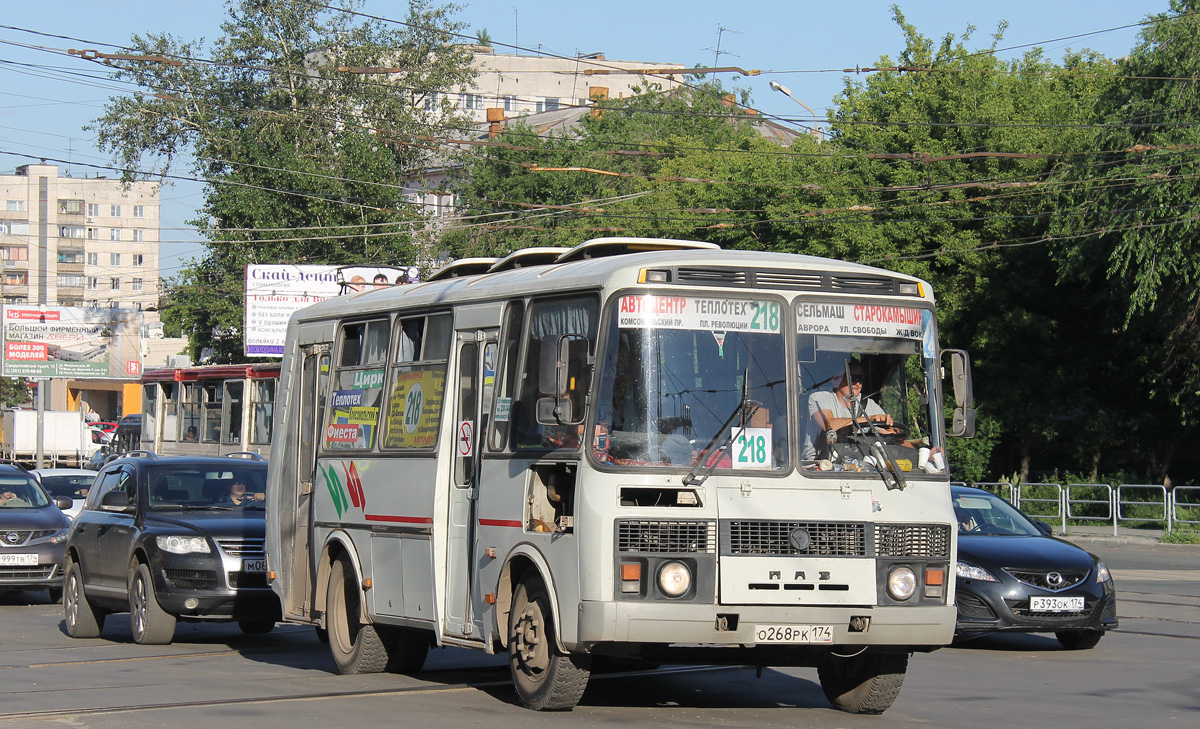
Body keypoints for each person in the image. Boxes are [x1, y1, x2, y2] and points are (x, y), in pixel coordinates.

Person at [802, 360, 901, 460]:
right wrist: (870, 419)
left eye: (860, 378)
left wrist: (892, 432)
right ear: (835, 379)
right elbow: (830, 426)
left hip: (857, 467)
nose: (857, 383)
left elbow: (888, 436)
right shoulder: (819, 398)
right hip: (817, 468)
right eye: (851, 379)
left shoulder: (868, 404)